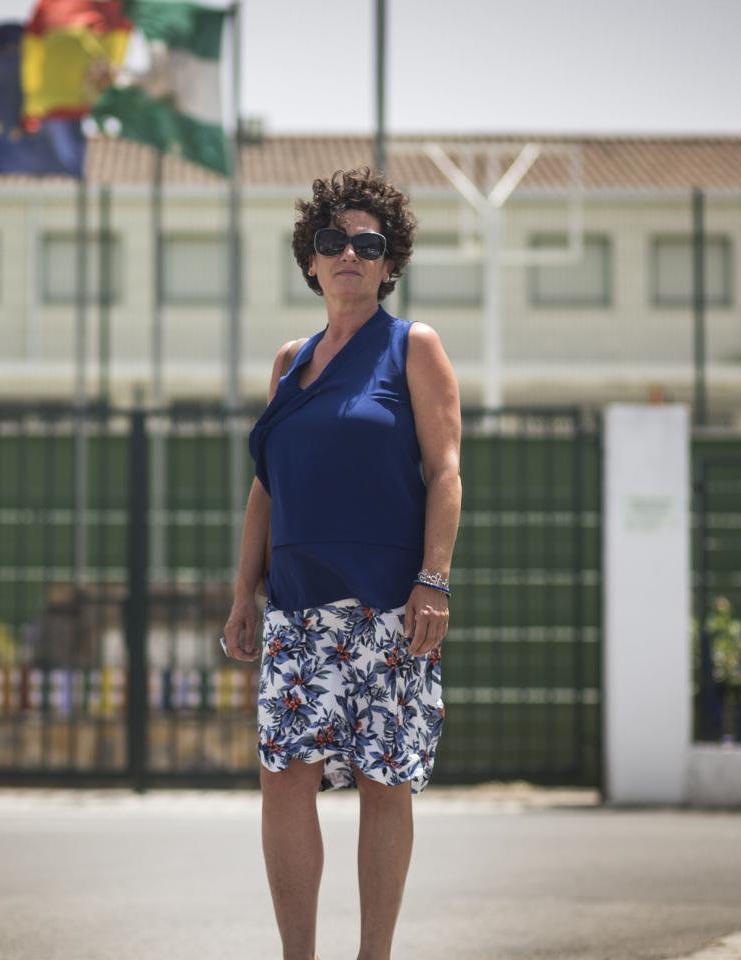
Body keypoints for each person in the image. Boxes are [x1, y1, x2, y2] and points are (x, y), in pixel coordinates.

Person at [222, 167, 463, 960]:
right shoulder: (290, 362)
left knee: (384, 783)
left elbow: (446, 471)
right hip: (295, 605)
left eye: (369, 243)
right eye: (334, 243)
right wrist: (243, 594)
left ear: (390, 264)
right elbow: (266, 489)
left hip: (388, 607)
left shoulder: (413, 347)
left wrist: (434, 578)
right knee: (284, 778)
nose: (350, 254)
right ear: (312, 262)